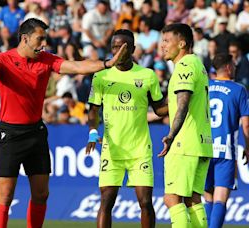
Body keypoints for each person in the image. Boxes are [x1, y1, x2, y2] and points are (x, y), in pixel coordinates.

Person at [0, 18, 126, 228]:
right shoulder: (4, 60)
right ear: (25, 38)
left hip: (36, 132)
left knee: (41, 194)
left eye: (45, 39)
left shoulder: (46, 59)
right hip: (10, 134)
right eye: (40, 39)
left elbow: (77, 66)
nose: (44, 44)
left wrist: (107, 63)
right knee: (5, 196)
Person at [86, 29, 167, 228]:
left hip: (139, 149)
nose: (118, 51)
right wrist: (93, 132)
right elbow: (93, 110)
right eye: (114, 47)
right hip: (112, 151)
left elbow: (159, 109)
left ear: (132, 49)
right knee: (106, 201)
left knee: (146, 202)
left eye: (122, 47)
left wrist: (180, 100)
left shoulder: (147, 75)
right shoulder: (102, 76)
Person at [159, 23, 213, 228]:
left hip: (184, 143)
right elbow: (175, 105)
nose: (162, 46)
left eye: (166, 41)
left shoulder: (184, 66)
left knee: (172, 199)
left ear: (182, 43)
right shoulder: (198, 64)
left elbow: (183, 103)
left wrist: (171, 135)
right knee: (193, 200)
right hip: (202, 142)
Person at [204, 53, 249, 228]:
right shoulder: (239, 90)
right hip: (225, 151)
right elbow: (246, 126)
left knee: (208, 196)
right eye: (234, 65)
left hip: (204, 148)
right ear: (229, 67)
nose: (236, 68)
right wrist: (248, 148)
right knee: (220, 199)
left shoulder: (205, 87)